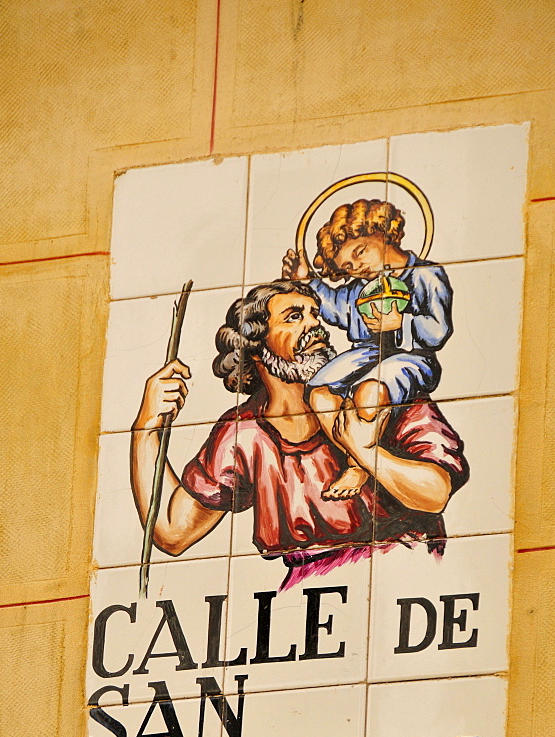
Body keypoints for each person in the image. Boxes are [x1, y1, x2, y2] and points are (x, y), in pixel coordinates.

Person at [130, 281, 468, 590]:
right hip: (308, 595)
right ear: (255, 348)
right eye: (294, 317)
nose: (314, 325)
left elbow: (435, 493)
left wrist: (361, 450)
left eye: (314, 314)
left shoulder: (377, 391)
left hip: (407, 576)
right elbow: (173, 533)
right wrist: (146, 427)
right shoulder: (243, 433)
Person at [282, 198, 453, 500]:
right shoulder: (359, 289)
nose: (357, 266)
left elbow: (438, 330)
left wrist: (402, 323)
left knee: (369, 394)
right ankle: (360, 454)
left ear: (383, 231)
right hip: (365, 355)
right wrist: (306, 281)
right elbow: (334, 306)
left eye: (360, 252)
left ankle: (357, 464)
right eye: (348, 266)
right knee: (320, 395)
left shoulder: (425, 275)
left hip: (410, 357)